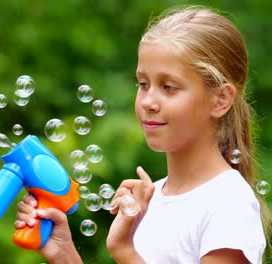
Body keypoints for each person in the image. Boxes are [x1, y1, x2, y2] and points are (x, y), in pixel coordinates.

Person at [14, 5, 270, 264]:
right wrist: (64, 254)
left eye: (169, 87)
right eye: (143, 84)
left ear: (220, 99)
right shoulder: (151, 198)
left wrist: (124, 251)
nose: (148, 101)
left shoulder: (228, 203)